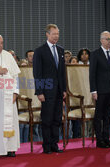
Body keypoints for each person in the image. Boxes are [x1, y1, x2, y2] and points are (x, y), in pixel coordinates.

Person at [33, 24, 66, 154]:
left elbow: (62, 72)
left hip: (59, 91)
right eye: (54, 34)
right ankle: (46, 146)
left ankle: (54, 144)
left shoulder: (61, 50)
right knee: (47, 119)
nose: (56, 36)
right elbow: (37, 73)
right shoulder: (40, 51)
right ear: (47, 34)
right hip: (46, 91)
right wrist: (39, 91)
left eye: (58, 34)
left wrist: (64, 89)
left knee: (57, 119)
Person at [89, 31, 110, 148]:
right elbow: (92, 74)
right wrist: (93, 90)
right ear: (101, 40)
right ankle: (99, 140)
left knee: (107, 115)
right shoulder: (95, 54)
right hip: (100, 90)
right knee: (99, 115)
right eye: (107, 39)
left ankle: (106, 139)